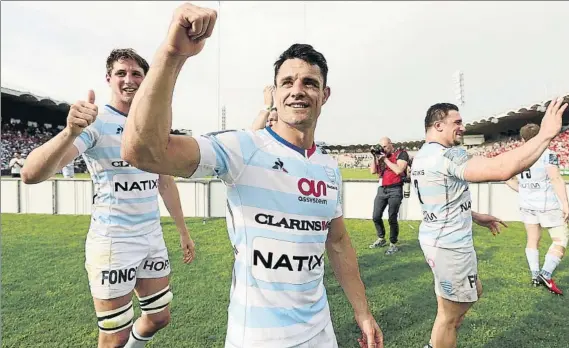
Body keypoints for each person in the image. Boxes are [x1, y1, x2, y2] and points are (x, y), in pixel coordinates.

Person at [121, 3, 383, 348]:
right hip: (257, 337)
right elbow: (142, 151)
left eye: (310, 82)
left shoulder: (328, 167)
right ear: (274, 94)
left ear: (325, 94)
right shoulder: (243, 148)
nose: (297, 90)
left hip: (320, 334)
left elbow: (337, 241)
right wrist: (172, 54)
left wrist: (362, 312)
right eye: (287, 82)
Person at [20, 48, 195, 348]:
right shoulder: (97, 122)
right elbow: (30, 174)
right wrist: (70, 132)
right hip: (113, 241)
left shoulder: (152, 124)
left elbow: (164, 182)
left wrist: (183, 232)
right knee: (114, 338)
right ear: (108, 79)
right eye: (121, 73)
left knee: (160, 317)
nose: (129, 80)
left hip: (151, 237)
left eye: (137, 74)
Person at [411, 99, 567, 348]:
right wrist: (546, 135)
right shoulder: (446, 156)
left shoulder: (423, 155)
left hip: (437, 241)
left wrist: (473, 215)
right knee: (449, 317)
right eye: (457, 122)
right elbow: (502, 168)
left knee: (467, 297)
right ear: (438, 125)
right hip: (450, 247)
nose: (463, 127)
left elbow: (440, 199)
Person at [505, 123, 568, 295]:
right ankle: (545, 274)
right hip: (547, 205)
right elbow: (555, 179)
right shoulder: (547, 154)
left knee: (533, 239)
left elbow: (507, 179)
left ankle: (534, 275)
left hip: (527, 204)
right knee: (560, 240)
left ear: (522, 139)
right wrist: (566, 204)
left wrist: (524, 190)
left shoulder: (518, 156)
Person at [368, 137, 409, 255]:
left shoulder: (401, 154)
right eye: (382, 147)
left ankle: (393, 244)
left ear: (391, 145)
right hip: (382, 189)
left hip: (396, 188)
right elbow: (372, 171)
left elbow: (399, 170)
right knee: (376, 216)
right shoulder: (381, 156)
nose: (383, 149)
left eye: (385, 147)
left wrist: (385, 159)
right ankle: (381, 238)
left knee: (392, 217)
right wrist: (374, 156)